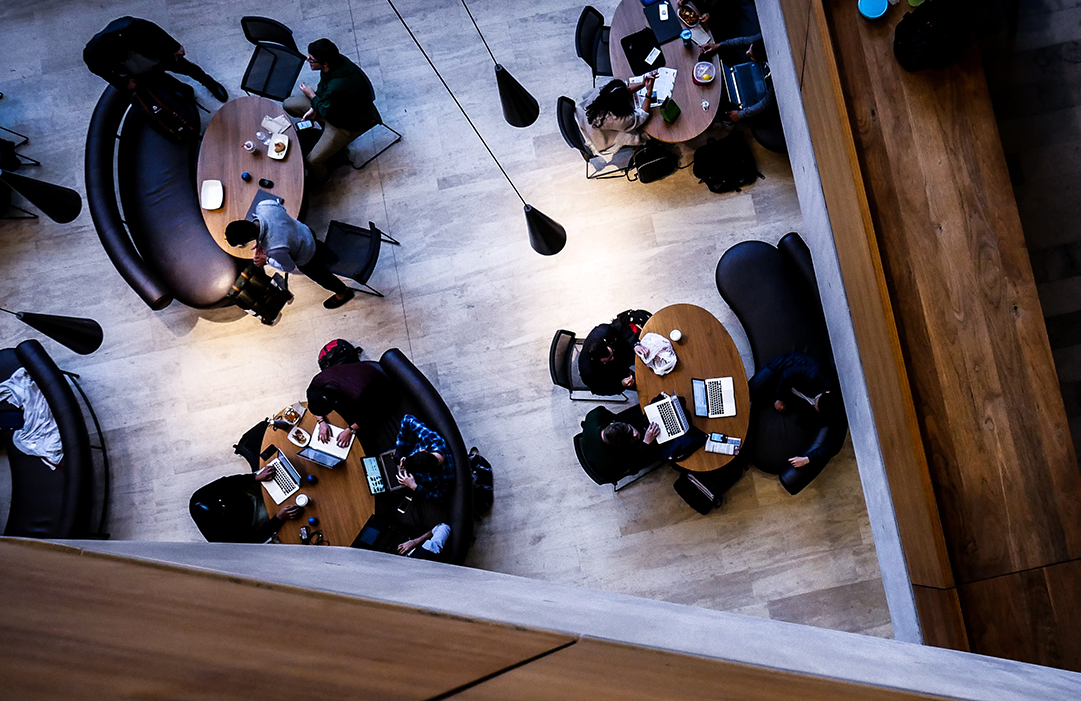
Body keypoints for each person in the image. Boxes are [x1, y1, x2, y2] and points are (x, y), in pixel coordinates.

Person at [225, 198, 354, 309]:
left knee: (324, 278)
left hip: (307, 257)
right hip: (306, 233)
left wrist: (267, 260)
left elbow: (290, 267)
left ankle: (342, 293)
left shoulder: (274, 249)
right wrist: (262, 243)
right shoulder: (264, 206)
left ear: (247, 240)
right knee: (320, 249)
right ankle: (333, 258)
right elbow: (281, 214)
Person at [283, 38, 377, 182]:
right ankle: (325, 136)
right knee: (289, 104)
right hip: (334, 108)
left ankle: (322, 180)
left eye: (312, 59)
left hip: (347, 124)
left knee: (313, 160)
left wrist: (312, 96)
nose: (308, 60)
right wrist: (315, 106)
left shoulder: (337, 86)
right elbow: (324, 90)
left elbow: (327, 110)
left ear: (325, 63)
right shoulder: (334, 65)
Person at [83, 17, 227, 101]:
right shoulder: (91, 54)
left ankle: (209, 83)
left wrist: (174, 47)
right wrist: (122, 83)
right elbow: (100, 71)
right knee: (162, 81)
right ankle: (183, 90)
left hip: (156, 54)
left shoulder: (128, 25)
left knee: (188, 68)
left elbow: (155, 30)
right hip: (137, 71)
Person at [749, 352, 843, 470]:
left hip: (794, 394)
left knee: (756, 403)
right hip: (783, 368)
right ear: (826, 392)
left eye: (816, 407)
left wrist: (807, 459)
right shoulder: (814, 374)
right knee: (748, 392)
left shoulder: (834, 413)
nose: (814, 404)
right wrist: (780, 398)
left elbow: (833, 446)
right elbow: (787, 375)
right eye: (816, 401)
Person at [306, 361, 390, 449]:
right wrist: (321, 422)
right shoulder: (319, 380)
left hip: (379, 389)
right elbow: (309, 393)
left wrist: (349, 430)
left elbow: (371, 414)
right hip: (354, 373)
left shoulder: (358, 396)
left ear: (335, 403)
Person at [575, 76, 656, 155]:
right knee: (643, 133)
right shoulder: (616, 119)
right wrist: (649, 93)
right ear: (620, 104)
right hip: (597, 137)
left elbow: (624, 91)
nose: (629, 89)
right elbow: (642, 117)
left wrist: (643, 84)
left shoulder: (605, 93)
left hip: (586, 120)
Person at [699, 37, 772, 123]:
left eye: (750, 55)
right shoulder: (761, 40)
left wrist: (740, 115)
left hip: (762, 91)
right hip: (753, 72)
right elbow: (743, 41)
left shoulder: (776, 82)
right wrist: (718, 46)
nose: (747, 52)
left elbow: (766, 104)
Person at [393, 414, 456, 503]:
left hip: (412, 483)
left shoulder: (446, 476)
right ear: (424, 451)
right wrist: (400, 451)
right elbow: (407, 419)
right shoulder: (432, 439)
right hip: (403, 454)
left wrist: (414, 487)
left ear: (428, 472)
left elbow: (440, 497)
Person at [578, 323, 639, 396]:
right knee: (643, 384)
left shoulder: (604, 331)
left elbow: (621, 329)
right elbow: (601, 389)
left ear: (605, 342)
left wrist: (635, 344)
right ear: (598, 360)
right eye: (609, 358)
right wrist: (621, 385)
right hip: (611, 373)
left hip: (621, 353)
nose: (612, 358)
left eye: (611, 354)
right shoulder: (589, 373)